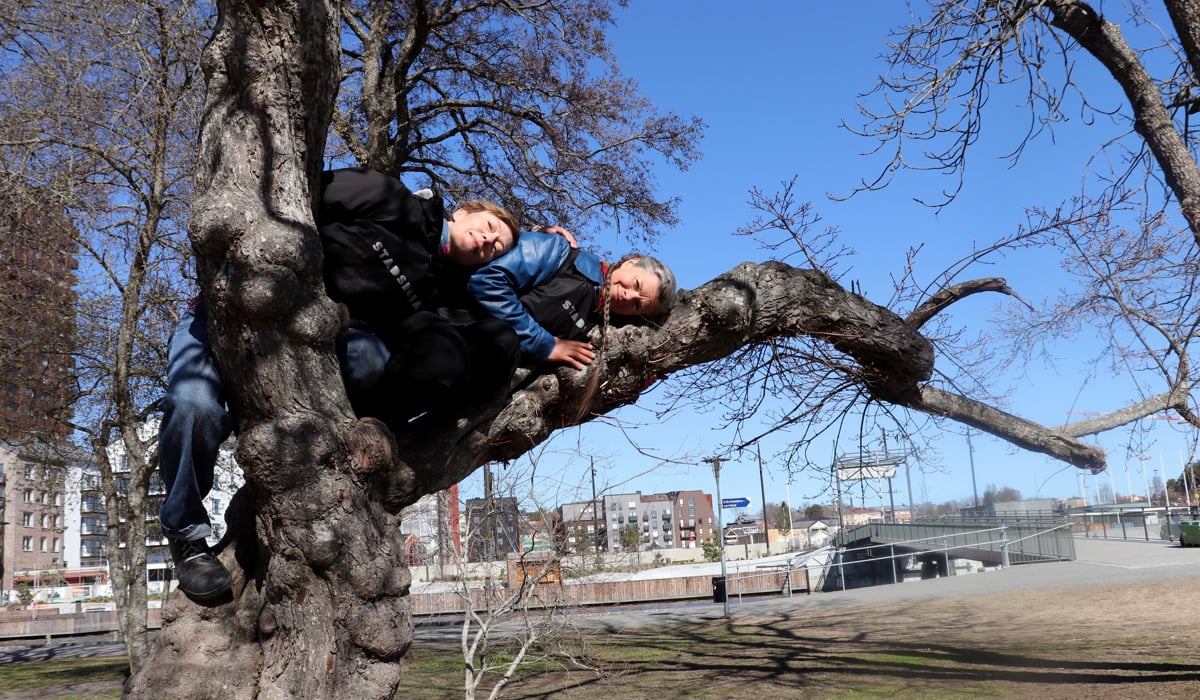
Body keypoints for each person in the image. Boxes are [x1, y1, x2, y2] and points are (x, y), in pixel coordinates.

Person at [157, 169, 520, 602]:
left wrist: (568, 265)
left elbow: (521, 306)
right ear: (465, 212)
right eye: (490, 227)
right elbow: (289, 196)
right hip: (232, 312)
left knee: (371, 359)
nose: (487, 242)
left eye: (496, 249)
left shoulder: (442, 292)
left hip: (311, 349)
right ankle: (187, 535)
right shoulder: (389, 197)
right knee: (192, 405)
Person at [466, 230, 677, 370]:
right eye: (636, 284)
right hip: (454, 329)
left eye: (637, 305)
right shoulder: (560, 252)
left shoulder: (596, 333)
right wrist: (544, 344)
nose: (628, 295)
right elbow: (487, 280)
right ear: (631, 263)